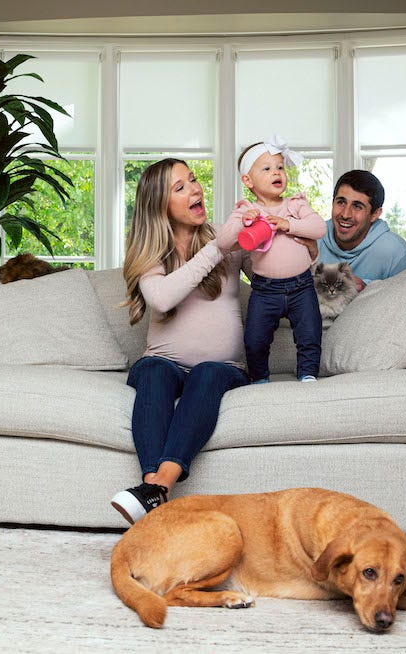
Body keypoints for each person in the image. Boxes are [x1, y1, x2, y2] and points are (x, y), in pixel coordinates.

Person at [110, 158, 249, 525]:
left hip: (223, 369)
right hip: (163, 362)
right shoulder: (152, 253)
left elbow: (277, 270)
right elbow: (161, 298)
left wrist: (277, 224)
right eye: (181, 187)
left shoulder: (225, 237)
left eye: (194, 180)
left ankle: (156, 489)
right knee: (154, 371)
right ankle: (155, 491)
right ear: (160, 206)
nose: (196, 189)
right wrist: (217, 248)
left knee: (208, 372)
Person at [225, 136, 327, 383]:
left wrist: (288, 224)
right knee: (255, 339)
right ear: (248, 181)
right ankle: (260, 379)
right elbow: (224, 241)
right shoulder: (247, 210)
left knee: (309, 334)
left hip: (301, 286)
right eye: (267, 168)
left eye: (280, 167)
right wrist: (243, 220)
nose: (277, 172)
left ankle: (308, 375)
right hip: (265, 290)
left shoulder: (295, 205)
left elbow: (318, 228)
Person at [318, 169, 406, 291]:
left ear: (375, 214)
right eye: (341, 202)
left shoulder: (397, 253)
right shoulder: (312, 238)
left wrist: (367, 292)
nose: (345, 214)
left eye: (357, 206)